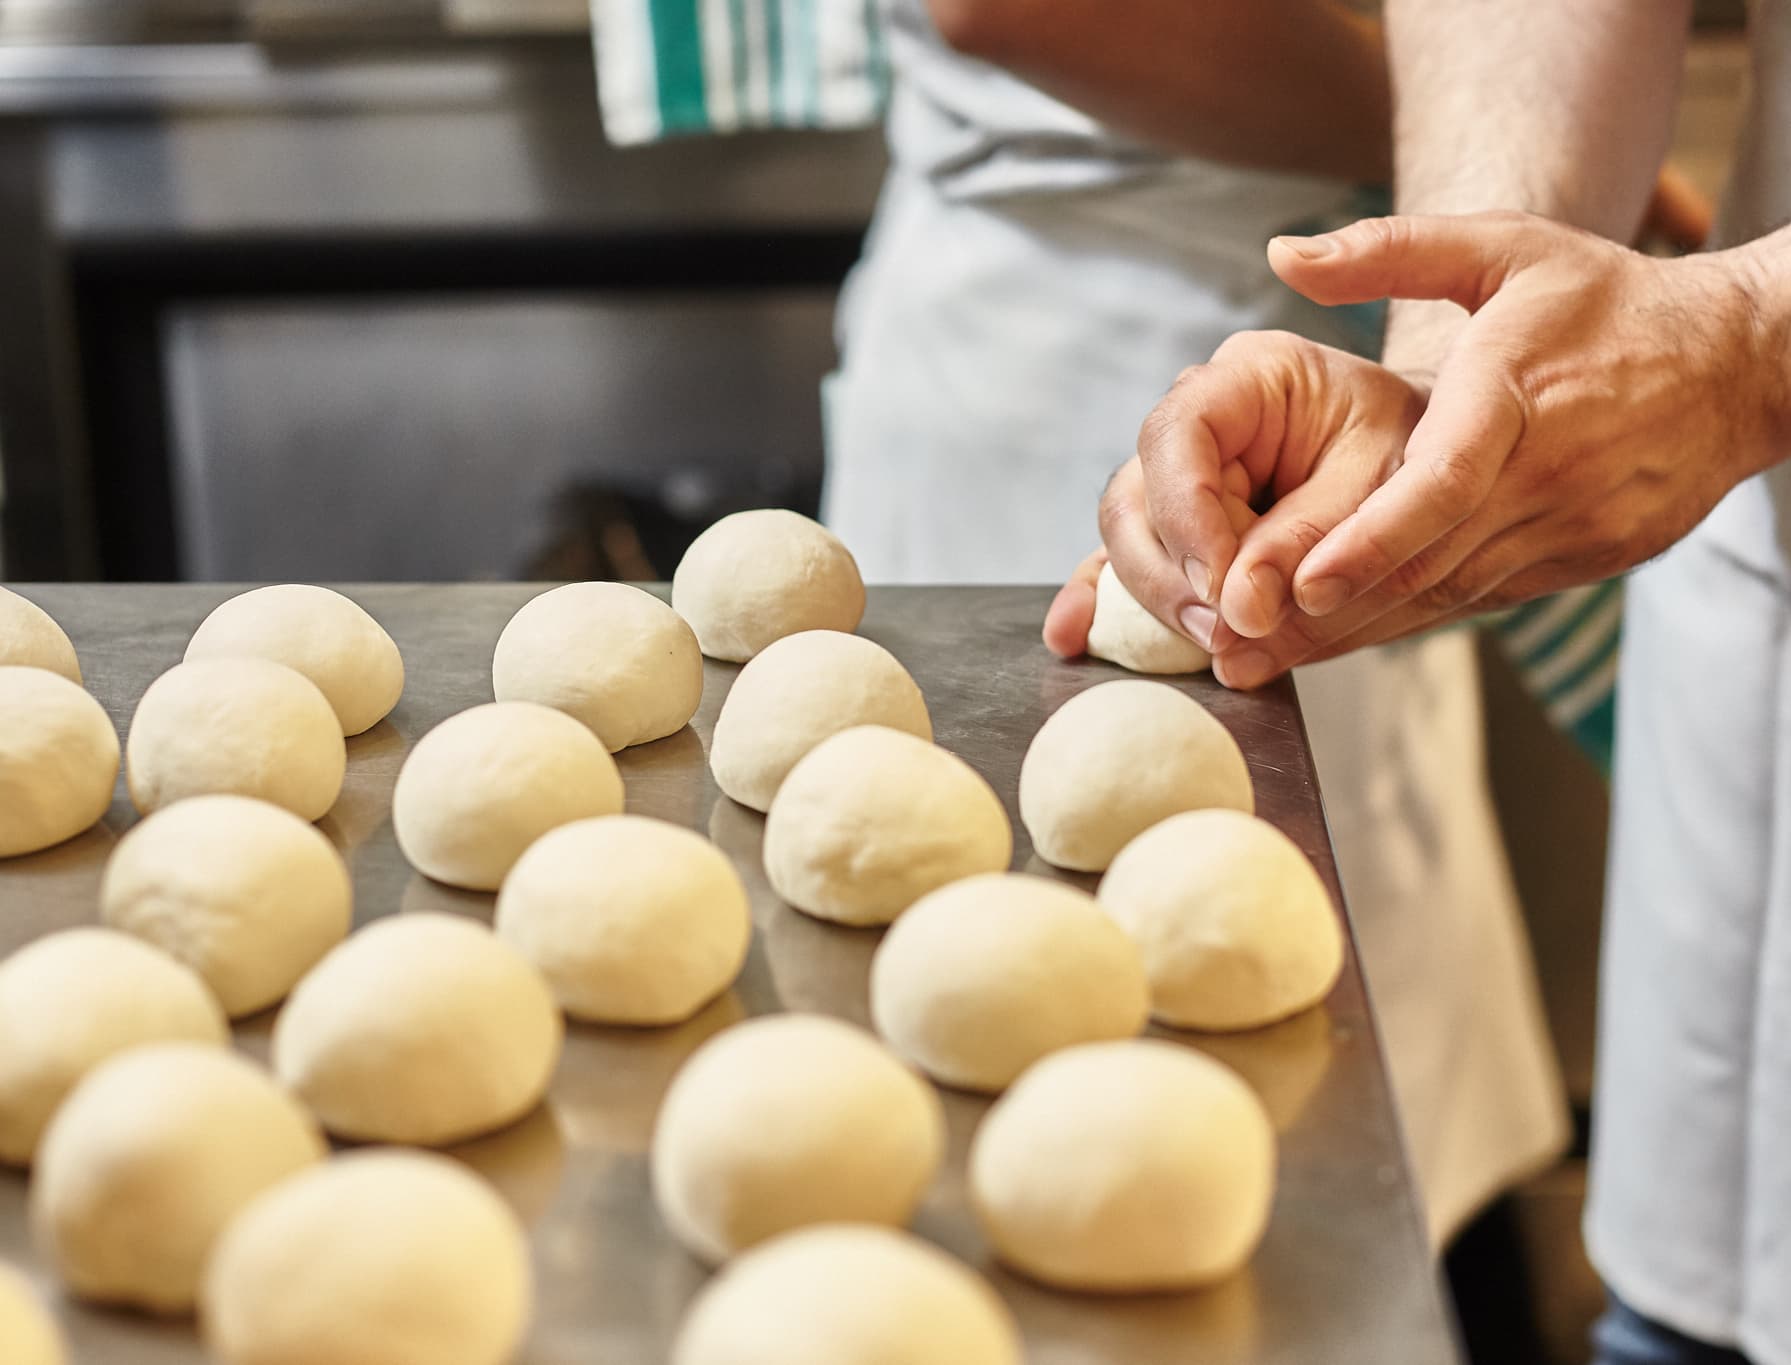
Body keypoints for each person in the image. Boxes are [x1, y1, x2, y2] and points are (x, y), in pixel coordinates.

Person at [1084, 4, 1791, 1363]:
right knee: (1698, 1306)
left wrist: (1765, 340)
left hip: (1790, 337)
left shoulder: (1753, 344)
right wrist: (1452, 380)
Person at [592, 0, 1577, 1255]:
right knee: (999, 1069)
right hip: (1092, 361)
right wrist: (1515, 121)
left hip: (1330, 386)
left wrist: (1515, 150)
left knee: (1318, 1124)